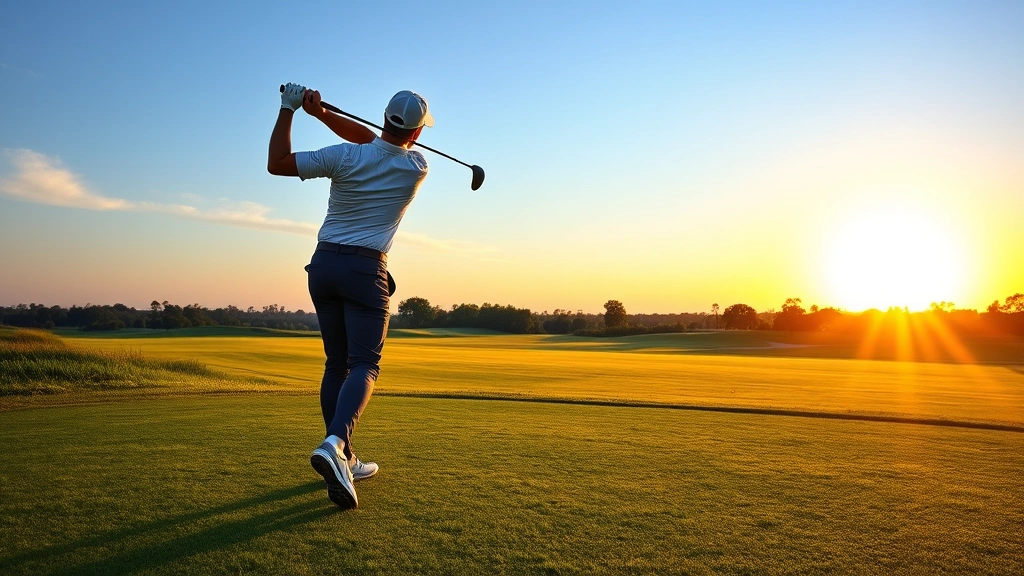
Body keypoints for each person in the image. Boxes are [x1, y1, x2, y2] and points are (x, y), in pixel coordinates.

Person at [267, 83, 432, 509]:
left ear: (383, 118)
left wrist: (293, 111)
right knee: (365, 364)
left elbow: (278, 164)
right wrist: (321, 114)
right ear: (416, 133)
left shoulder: (343, 155)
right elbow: (379, 144)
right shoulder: (417, 165)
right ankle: (336, 445)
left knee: (336, 364)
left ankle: (344, 455)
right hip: (365, 269)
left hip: (322, 266)